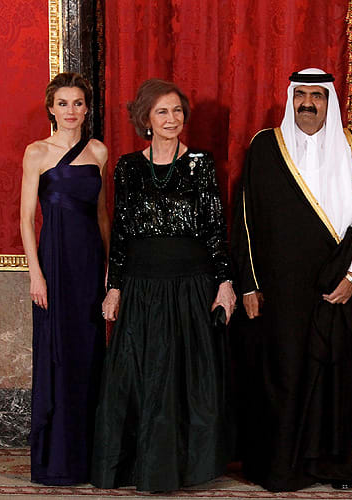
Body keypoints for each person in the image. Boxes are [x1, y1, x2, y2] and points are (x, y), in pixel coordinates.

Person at [231, 68, 352, 492]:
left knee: (336, 376)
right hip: (280, 291)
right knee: (285, 375)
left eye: (317, 95)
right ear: (291, 98)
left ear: (330, 101)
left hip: (337, 282)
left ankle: (335, 467)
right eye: (301, 95)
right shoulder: (265, 145)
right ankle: (281, 468)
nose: (308, 103)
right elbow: (245, 220)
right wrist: (249, 284)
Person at [90, 79, 236, 493]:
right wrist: (114, 287)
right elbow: (121, 233)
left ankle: (186, 469)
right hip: (143, 286)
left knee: (186, 381)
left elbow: (215, 227)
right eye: (162, 112)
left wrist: (224, 282)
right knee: (142, 378)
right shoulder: (127, 167)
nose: (172, 119)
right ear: (146, 119)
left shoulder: (201, 163)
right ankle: (143, 467)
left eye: (177, 111)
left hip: (191, 284)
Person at [19, 72, 109, 485]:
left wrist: (109, 270)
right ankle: (56, 460)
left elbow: (103, 216)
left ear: (86, 109)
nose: (71, 111)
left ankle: (89, 458)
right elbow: (25, 219)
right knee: (57, 353)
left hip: (89, 264)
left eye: (78, 103)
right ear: (51, 109)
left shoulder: (99, 151)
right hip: (54, 264)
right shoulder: (36, 152)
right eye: (63, 104)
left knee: (88, 354)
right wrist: (35, 275)